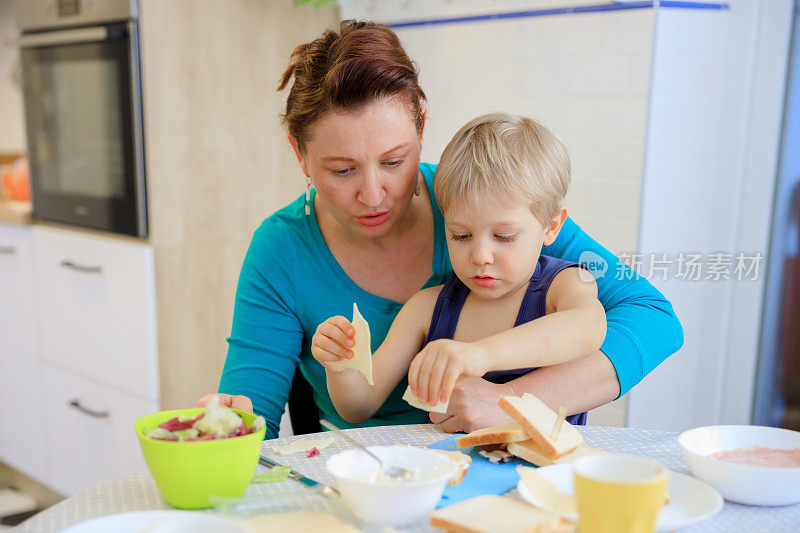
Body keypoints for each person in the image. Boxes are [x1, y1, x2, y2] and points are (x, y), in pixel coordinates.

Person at [199, 20, 683, 439]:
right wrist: (229, 423)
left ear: (421, 128)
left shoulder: (477, 202)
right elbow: (254, 421)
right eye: (342, 170)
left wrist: (514, 401)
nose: (373, 194)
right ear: (299, 153)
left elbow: (652, 319)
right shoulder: (281, 250)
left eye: (394, 161)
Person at [312, 113, 606, 426]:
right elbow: (359, 406)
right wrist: (342, 368)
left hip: (547, 474)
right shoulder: (427, 308)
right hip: (452, 473)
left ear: (552, 226)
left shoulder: (565, 285)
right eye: (461, 235)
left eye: (503, 236)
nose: (480, 255)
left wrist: (481, 355)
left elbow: (588, 328)